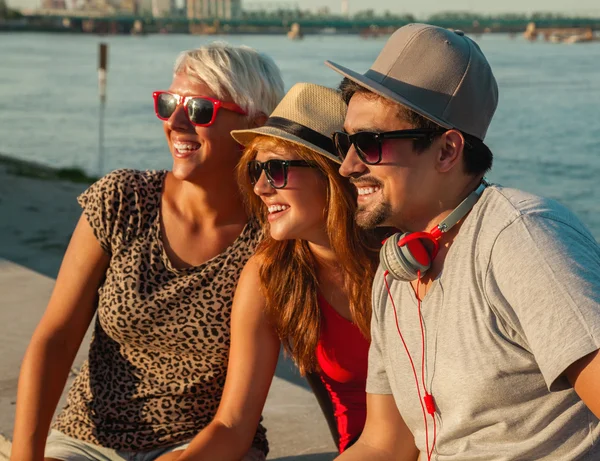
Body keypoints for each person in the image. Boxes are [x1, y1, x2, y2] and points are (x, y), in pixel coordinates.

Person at [325, 23, 600, 460]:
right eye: (346, 142)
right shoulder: (396, 272)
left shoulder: (522, 240)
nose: (348, 166)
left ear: (447, 151)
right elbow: (385, 444)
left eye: (370, 143)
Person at [11, 43, 284, 461]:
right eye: (168, 103)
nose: (175, 122)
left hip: (202, 445)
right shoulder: (123, 200)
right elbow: (56, 339)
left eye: (199, 110)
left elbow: (234, 422)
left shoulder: (270, 238)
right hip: (88, 441)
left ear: (254, 129)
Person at [167, 83, 381, 461]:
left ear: (333, 175)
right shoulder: (272, 273)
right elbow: (233, 424)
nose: (262, 187)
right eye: (256, 169)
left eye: (278, 169)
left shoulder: (398, 261)